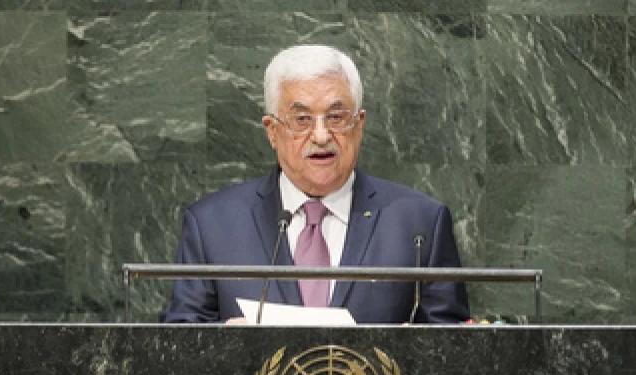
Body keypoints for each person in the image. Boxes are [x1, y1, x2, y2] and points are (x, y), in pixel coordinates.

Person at [161, 44, 469, 324]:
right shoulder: (212, 225)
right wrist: (226, 346)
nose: (321, 136)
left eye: (336, 117)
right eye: (301, 120)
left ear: (359, 126)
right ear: (271, 131)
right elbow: (178, 344)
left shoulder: (420, 224)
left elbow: (453, 353)